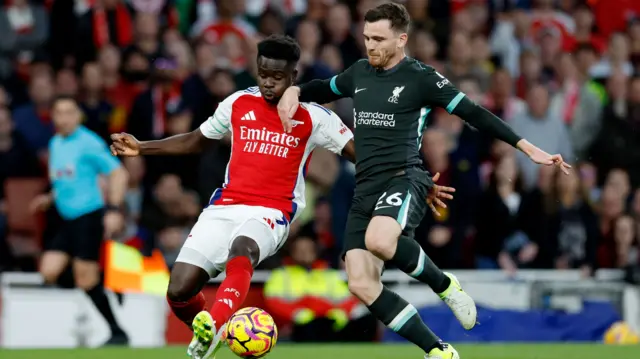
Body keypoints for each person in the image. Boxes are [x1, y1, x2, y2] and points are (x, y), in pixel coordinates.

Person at [111, 35, 454, 359]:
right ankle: (218, 331)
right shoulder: (237, 102)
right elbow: (196, 140)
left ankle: (213, 323)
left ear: (294, 75)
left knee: (242, 248)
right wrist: (142, 147)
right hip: (224, 206)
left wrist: (417, 180)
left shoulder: (314, 116)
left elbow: (364, 155)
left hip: (272, 211)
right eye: (263, 74)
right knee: (179, 290)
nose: (268, 83)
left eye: (277, 76)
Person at [277, 3, 571, 359]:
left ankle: (445, 285)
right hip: (365, 188)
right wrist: (294, 90)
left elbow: (473, 112)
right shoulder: (359, 73)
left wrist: (526, 147)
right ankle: (437, 350)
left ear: (401, 39)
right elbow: (324, 87)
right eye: (367, 37)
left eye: (379, 39)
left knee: (380, 240)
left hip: (405, 179)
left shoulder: (422, 78)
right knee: (360, 282)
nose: (370, 46)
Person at [30, 95, 130, 345]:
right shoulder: (55, 143)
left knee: (84, 277)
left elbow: (118, 173)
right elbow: (66, 179)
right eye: (59, 113)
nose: (64, 118)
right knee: (49, 271)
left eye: (69, 112)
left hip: (89, 215)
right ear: (52, 117)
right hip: (67, 219)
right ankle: (102, 281)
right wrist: (50, 197)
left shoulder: (88, 142)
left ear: (78, 116)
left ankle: (117, 332)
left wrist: (114, 209)